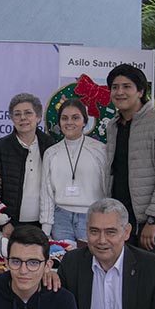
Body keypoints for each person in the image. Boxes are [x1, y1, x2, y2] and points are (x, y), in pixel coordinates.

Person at [106, 64, 155, 260]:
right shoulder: (113, 126)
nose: (120, 92)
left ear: (140, 91)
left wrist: (153, 219)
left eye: (127, 86)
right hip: (122, 219)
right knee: (125, 282)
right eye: (115, 87)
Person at [0, 93, 55, 237]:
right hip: (10, 226)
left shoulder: (50, 146)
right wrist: (3, 223)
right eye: (17, 114)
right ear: (11, 118)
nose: (23, 118)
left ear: (38, 117)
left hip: (43, 225)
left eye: (28, 113)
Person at [40, 98, 107, 241]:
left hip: (92, 217)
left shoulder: (100, 150)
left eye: (75, 118)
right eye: (64, 118)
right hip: (61, 219)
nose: (69, 122)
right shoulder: (51, 153)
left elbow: (107, 188)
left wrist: (105, 220)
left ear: (84, 121)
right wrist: (46, 229)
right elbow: (47, 193)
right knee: (65, 261)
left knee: (89, 261)